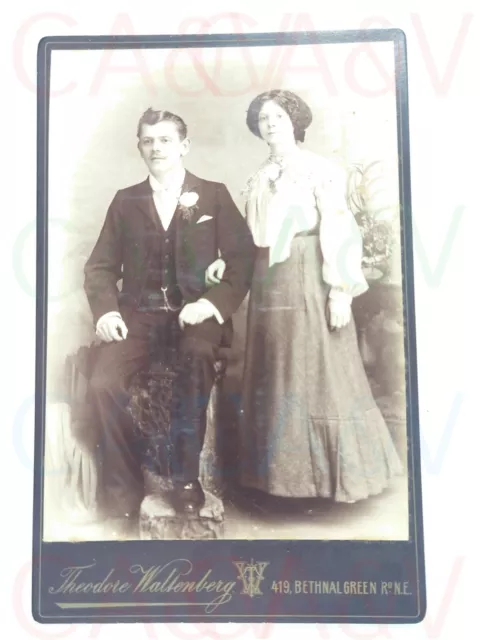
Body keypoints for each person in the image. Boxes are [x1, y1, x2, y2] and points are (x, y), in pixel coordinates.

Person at [83, 107, 256, 519]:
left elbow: (242, 258)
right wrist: (106, 312)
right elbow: (100, 267)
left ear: (184, 146)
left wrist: (211, 304)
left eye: (164, 140)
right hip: (138, 316)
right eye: (148, 140)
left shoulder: (213, 194)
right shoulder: (126, 201)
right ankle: (122, 493)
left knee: (196, 358)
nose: (156, 148)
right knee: (102, 383)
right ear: (139, 147)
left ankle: (185, 478)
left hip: (193, 314)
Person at [233, 90, 403, 503]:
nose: (270, 123)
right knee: (276, 372)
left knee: (318, 372)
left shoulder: (317, 170)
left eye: (279, 116)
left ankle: (333, 482)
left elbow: (340, 228)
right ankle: (280, 481)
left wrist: (340, 292)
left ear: (295, 121)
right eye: (263, 117)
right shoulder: (257, 177)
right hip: (268, 279)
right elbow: (252, 237)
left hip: (309, 273)